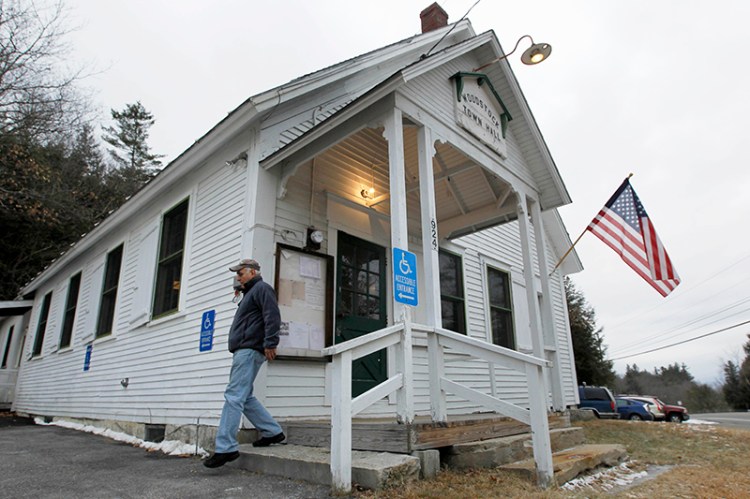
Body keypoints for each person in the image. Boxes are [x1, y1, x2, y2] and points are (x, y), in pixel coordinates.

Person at [203, 258, 286, 468]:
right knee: (244, 397)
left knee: (233, 396)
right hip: (245, 350)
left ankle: (226, 447)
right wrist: (239, 291)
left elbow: (272, 316)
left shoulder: (262, 289)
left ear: (252, 272)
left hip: (249, 350)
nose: (237, 277)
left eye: (240, 274)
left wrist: (270, 343)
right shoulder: (249, 293)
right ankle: (272, 431)